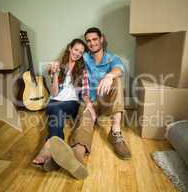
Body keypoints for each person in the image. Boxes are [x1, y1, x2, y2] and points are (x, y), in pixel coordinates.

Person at [48, 27, 131, 179]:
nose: (92, 43)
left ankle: (116, 133)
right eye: (89, 41)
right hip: (88, 101)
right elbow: (68, 59)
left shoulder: (111, 58)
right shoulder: (84, 57)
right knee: (85, 122)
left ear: (102, 39)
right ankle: (75, 158)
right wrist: (54, 65)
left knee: (117, 80)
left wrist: (109, 76)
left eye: (95, 39)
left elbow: (120, 68)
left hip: (106, 103)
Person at [32, 38, 89, 175]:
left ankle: (47, 147)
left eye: (80, 52)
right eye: (76, 50)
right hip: (55, 101)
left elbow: (85, 91)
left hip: (71, 103)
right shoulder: (57, 65)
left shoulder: (82, 69)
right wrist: (56, 73)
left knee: (55, 108)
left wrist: (89, 105)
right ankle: (57, 151)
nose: (77, 54)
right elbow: (54, 92)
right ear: (70, 48)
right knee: (54, 107)